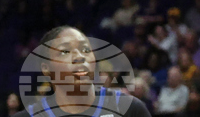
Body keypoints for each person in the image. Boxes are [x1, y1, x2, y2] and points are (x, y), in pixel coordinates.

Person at [9, 26, 151, 117]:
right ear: (46, 69)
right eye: (65, 51)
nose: (79, 57)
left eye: (85, 50)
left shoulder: (129, 109)